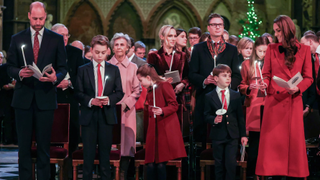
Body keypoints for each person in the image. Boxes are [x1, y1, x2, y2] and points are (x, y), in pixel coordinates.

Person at [6, 2, 67, 179]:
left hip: (45, 98)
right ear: (28, 16)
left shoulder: (55, 39)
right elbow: (9, 67)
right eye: (35, 18)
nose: (38, 22)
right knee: (23, 147)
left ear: (46, 16)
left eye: (41, 19)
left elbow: (63, 67)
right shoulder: (17, 38)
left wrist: (56, 77)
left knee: (43, 147)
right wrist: (18, 72)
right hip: (23, 99)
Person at [256, 15, 313, 179]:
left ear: (288, 30)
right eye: (275, 31)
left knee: (293, 141)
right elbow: (266, 74)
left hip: (293, 102)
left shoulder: (305, 50)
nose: (277, 34)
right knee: (272, 143)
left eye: (279, 31)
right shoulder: (272, 49)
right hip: (274, 101)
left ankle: (292, 173)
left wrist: (297, 88)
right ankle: (272, 173)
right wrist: (264, 84)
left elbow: (308, 77)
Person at [75, 35, 124, 180]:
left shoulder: (113, 70)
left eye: (103, 52)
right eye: (97, 52)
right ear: (91, 50)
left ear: (108, 51)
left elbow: (120, 92)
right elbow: (77, 93)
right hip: (89, 116)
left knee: (105, 158)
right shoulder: (83, 69)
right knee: (88, 157)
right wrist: (91, 101)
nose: (100, 56)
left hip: (106, 116)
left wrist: (108, 99)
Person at [189, 13, 241, 146]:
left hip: (226, 99)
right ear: (208, 27)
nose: (217, 27)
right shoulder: (199, 49)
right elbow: (192, 74)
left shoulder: (232, 50)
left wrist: (226, 85)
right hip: (205, 97)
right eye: (214, 25)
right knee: (203, 137)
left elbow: (237, 75)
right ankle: (201, 164)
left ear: (223, 28)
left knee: (225, 137)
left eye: (220, 25)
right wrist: (204, 81)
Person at [136, 64, 187, 180]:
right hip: (154, 130)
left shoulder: (164, 85)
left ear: (148, 77)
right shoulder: (150, 89)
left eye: (140, 80)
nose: (140, 83)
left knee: (159, 164)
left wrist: (162, 110)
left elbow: (174, 105)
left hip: (165, 128)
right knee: (150, 165)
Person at [51, 23, 84, 179]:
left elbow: (83, 77)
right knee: (50, 139)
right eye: (61, 35)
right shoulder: (45, 52)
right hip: (52, 100)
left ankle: (69, 174)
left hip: (71, 100)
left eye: (67, 35)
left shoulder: (76, 53)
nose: (65, 38)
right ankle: (50, 173)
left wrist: (70, 83)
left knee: (72, 138)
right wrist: (54, 83)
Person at [204, 64, 247, 180]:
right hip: (218, 134)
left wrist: (243, 135)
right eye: (224, 76)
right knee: (219, 164)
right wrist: (214, 119)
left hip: (232, 135)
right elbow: (206, 115)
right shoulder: (209, 96)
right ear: (216, 78)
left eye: (229, 76)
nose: (228, 78)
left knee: (231, 164)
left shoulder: (235, 95)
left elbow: (240, 117)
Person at [109, 33, 141, 180]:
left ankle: (122, 176)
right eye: (116, 44)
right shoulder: (107, 65)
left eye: (122, 44)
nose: (119, 47)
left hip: (127, 112)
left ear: (128, 47)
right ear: (112, 47)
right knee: (111, 144)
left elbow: (137, 90)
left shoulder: (133, 67)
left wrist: (125, 104)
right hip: (110, 110)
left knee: (127, 147)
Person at [239, 36, 270, 179]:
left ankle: (268, 172)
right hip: (254, 106)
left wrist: (269, 85)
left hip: (269, 105)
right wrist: (248, 87)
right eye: (260, 51)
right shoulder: (247, 64)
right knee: (255, 143)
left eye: (265, 51)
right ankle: (253, 174)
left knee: (269, 142)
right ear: (255, 50)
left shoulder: (272, 64)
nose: (263, 55)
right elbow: (241, 85)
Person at [147, 25, 189, 106]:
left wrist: (182, 84)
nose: (173, 39)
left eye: (175, 36)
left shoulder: (182, 55)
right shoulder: (154, 56)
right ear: (162, 37)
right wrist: (162, 80)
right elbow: (150, 78)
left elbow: (188, 75)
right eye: (170, 36)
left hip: (178, 98)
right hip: (160, 97)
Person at [0, 51, 16, 145]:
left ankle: (16, 138)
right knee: (7, 118)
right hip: (5, 97)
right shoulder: (3, 68)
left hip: (17, 96)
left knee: (16, 118)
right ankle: (7, 139)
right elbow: (2, 84)